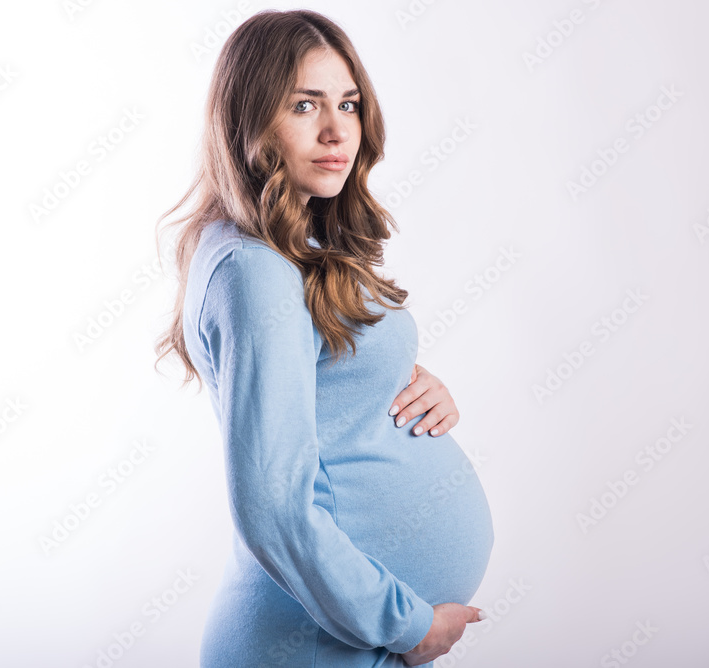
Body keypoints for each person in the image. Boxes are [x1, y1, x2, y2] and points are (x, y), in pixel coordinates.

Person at [153, 9, 494, 667]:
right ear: (248, 120)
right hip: (314, 645)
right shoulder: (251, 269)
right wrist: (404, 624)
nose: (339, 130)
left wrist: (414, 386)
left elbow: (329, 385)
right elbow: (274, 507)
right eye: (306, 106)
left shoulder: (287, 247)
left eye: (348, 104)